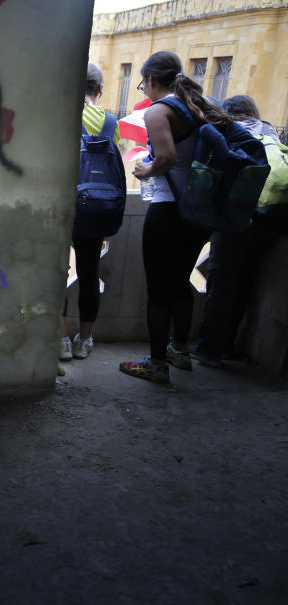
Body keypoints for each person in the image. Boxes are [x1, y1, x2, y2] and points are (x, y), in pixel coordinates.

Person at [119, 50, 220, 384]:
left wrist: (146, 168)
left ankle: (157, 363)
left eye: (142, 84)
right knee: (181, 282)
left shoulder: (159, 112)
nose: (143, 91)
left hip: (169, 210)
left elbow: (166, 157)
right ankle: (179, 349)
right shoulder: (196, 106)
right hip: (197, 211)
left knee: (159, 290)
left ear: (149, 79)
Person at [193, 95, 288, 366]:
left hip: (237, 215)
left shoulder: (232, 132)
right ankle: (228, 345)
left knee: (222, 281)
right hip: (271, 219)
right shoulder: (270, 130)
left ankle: (209, 349)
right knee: (246, 280)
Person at [61, 63, 121, 363]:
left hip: (65, 206)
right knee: (89, 275)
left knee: (59, 273)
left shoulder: (64, 116)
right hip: (96, 209)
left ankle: (59, 339)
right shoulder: (112, 123)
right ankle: (84, 340)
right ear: (99, 91)